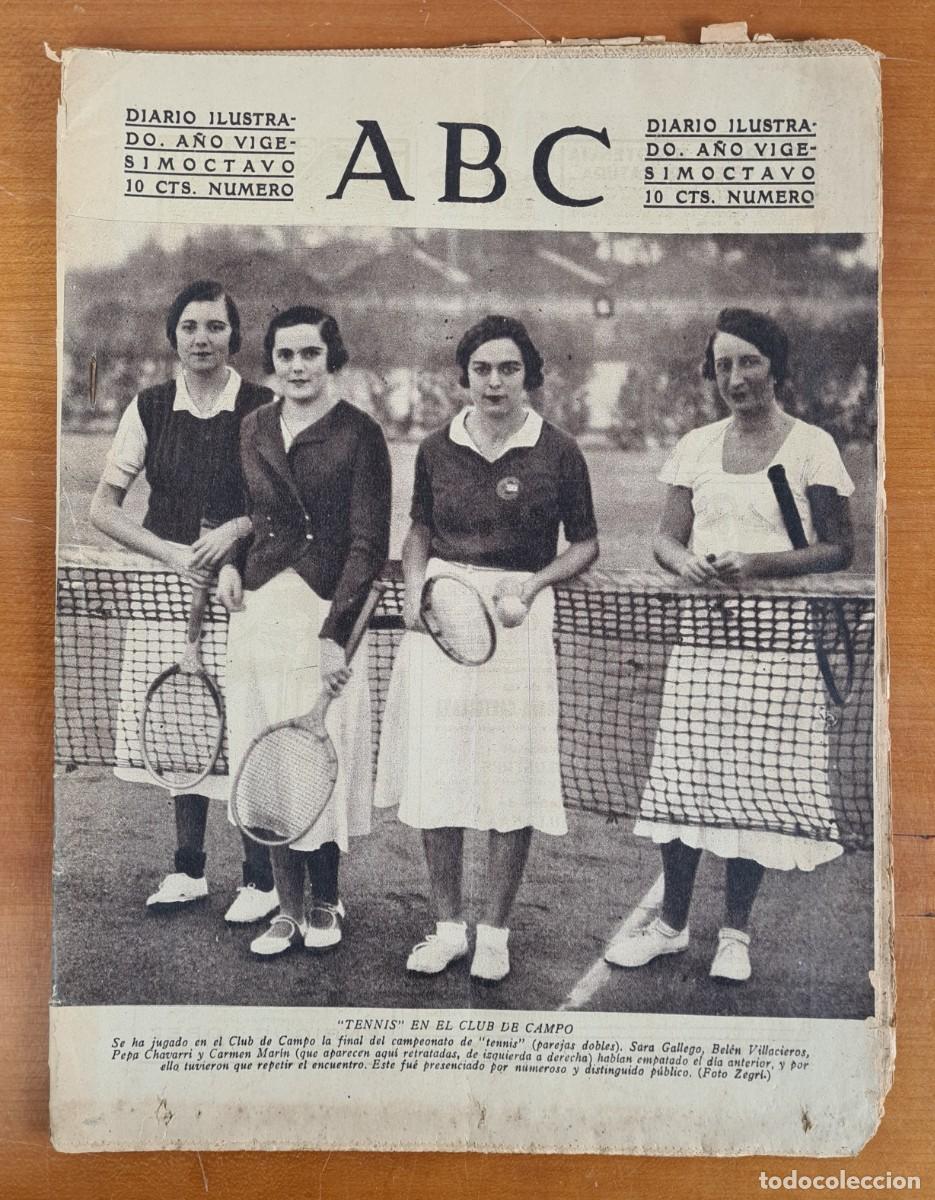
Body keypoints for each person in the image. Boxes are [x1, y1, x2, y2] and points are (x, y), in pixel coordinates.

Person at [604, 307, 855, 983]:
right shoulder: (694, 446)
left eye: (749, 362)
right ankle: (669, 927)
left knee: (754, 788)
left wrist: (759, 564)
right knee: (684, 781)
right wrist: (683, 561)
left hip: (778, 647)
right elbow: (665, 537)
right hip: (704, 645)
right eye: (723, 366)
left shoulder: (813, 446)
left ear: (775, 368)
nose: (736, 378)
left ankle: (735, 935)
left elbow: (839, 548)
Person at [376, 315, 599, 983]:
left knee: (511, 775)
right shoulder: (435, 448)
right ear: (464, 377)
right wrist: (416, 587)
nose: (494, 381)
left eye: (507, 369)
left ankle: (494, 933)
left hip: (519, 618)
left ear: (528, 376)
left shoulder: (559, 451)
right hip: (443, 617)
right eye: (481, 369)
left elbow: (585, 543)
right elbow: (419, 528)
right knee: (437, 772)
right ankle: (448, 926)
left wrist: (533, 584)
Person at [90, 279, 278, 923]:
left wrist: (235, 530)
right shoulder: (148, 407)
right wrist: (171, 553)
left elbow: (291, 502)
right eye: (191, 327)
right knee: (181, 724)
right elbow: (102, 509)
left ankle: (260, 879)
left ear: (233, 335)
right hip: (166, 588)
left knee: (245, 724)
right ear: (174, 336)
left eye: (215, 326)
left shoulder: (264, 406)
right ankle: (189, 869)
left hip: (244, 587)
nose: (202, 339)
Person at [218, 305, 391, 957]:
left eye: (310, 353)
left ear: (330, 357)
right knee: (266, 752)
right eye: (285, 355)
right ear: (272, 361)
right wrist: (232, 565)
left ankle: (325, 900)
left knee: (322, 756)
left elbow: (368, 544)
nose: (297, 367)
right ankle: (286, 909)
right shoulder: (253, 427)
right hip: (259, 614)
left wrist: (334, 630)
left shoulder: (361, 434)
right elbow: (247, 513)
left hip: (325, 617)